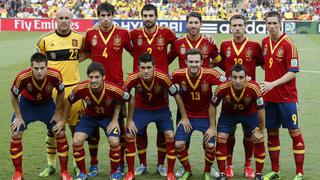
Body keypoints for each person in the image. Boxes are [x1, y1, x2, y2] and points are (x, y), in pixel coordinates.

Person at [168, 11, 221, 178]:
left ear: (200, 24)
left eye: (196, 23)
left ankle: (209, 167)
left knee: (210, 138)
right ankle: (184, 167)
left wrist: (209, 69)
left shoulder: (208, 42)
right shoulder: (178, 43)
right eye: (190, 23)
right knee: (183, 137)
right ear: (186, 24)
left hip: (205, 93)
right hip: (185, 97)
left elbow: (219, 60)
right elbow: (166, 60)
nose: (193, 26)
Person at [84, 2, 133, 176]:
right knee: (93, 128)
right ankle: (94, 164)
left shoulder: (122, 33)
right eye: (102, 16)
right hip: (95, 86)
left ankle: (121, 164)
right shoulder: (90, 34)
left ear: (113, 15)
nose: (105, 19)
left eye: (108, 15)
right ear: (98, 17)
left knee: (118, 126)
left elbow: (135, 51)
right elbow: (83, 53)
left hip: (116, 86)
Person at [36, 7, 85, 177]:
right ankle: (51, 165)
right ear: (55, 19)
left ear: (72, 20)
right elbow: (39, 62)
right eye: (60, 18)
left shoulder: (79, 39)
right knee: (53, 129)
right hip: (53, 91)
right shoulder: (44, 40)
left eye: (67, 18)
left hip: (74, 90)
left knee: (76, 130)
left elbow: (86, 52)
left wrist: (74, 60)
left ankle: (77, 165)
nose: (64, 21)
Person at [123, 53, 188, 180]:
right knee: (131, 133)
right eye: (142, 68)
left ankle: (167, 170)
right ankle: (133, 170)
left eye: (148, 67)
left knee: (169, 135)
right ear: (138, 67)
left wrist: (184, 117)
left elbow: (177, 96)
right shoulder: (132, 78)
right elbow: (123, 96)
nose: (145, 71)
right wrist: (129, 120)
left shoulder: (163, 77)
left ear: (154, 67)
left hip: (161, 110)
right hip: (141, 109)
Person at [129, 3, 177, 176]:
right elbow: (127, 47)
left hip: (161, 86)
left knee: (162, 129)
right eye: (145, 15)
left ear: (156, 16)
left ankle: (161, 164)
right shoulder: (134, 34)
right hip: (141, 85)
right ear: (141, 17)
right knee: (139, 130)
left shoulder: (167, 33)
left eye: (151, 15)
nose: (148, 19)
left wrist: (165, 63)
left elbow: (178, 48)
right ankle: (142, 163)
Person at [62, 62, 131, 180]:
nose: (93, 80)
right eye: (91, 77)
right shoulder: (81, 88)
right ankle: (83, 173)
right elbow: (69, 101)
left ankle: (114, 172)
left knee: (114, 141)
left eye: (97, 77)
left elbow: (129, 99)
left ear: (103, 77)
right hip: (89, 118)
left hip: (108, 118)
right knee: (77, 140)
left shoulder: (113, 88)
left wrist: (116, 120)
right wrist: (63, 120)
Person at [10, 53, 72, 180]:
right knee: (16, 133)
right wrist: (18, 116)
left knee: (59, 132)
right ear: (31, 67)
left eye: (42, 68)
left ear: (47, 67)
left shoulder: (55, 75)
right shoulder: (22, 77)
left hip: (46, 105)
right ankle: (18, 173)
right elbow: (13, 96)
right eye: (36, 68)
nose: (39, 71)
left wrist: (57, 112)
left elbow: (61, 92)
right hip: (27, 105)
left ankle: (64, 172)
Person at [217, 14, 264, 178]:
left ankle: (248, 164)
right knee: (228, 134)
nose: (237, 28)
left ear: (246, 26)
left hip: (249, 98)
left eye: (240, 25)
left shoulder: (254, 46)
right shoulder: (224, 45)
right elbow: (219, 64)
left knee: (249, 133)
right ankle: (228, 164)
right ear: (230, 27)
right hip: (229, 97)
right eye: (234, 25)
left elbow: (264, 65)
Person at [260, 11, 305, 180]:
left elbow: (293, 72)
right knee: (272, 132)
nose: (271, 26)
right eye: (268, 23)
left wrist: (272, 83)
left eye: (274, 23)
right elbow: (265, 64)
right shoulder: (264, 42)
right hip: (269, 97)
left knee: (294, 131)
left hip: (286, 97)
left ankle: (299, 172)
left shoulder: (288, 44)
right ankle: (275, 171)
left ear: (280, 23)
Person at [171, 48, 224, 180]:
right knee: (178, 145)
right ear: (185, 62)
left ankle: (208, 170)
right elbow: (165, 81)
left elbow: (229, 82)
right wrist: (183, 117)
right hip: (187, 117)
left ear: (202, 62)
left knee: (210, 145)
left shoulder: (211, 73)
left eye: (196, 62)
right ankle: (186, 170)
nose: (193, 65)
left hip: (205, 117)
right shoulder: (178, 74)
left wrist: (213, 127)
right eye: (191, 62)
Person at [212, 64, 266, 180]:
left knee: (258, 138)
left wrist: (261, 131)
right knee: (221, 137)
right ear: (230, 78)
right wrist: (212, 127)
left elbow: (261, 109)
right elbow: (212, 106)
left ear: (246, 78)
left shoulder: (254, 87)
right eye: (235, 77)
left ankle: (254, 169)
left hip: (249, 115)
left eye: (241, 77)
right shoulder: (222, 87)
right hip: (228, 115)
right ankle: (225, 169)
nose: (237, 81)